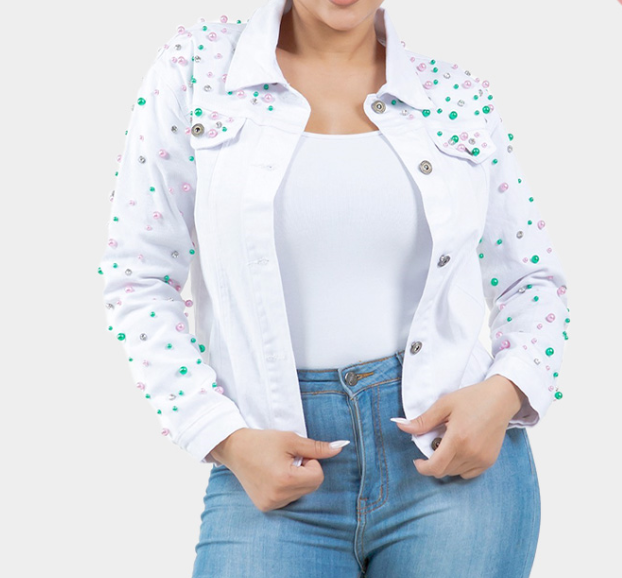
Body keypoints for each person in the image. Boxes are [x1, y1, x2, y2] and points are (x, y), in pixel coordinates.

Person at [99, 0, 570, 576]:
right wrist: (221, 435)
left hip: (450, 454)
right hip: (266, 453)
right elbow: (138, 275)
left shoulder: (456, 96)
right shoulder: (198, 68)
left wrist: (503, 393)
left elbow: (531, 279)